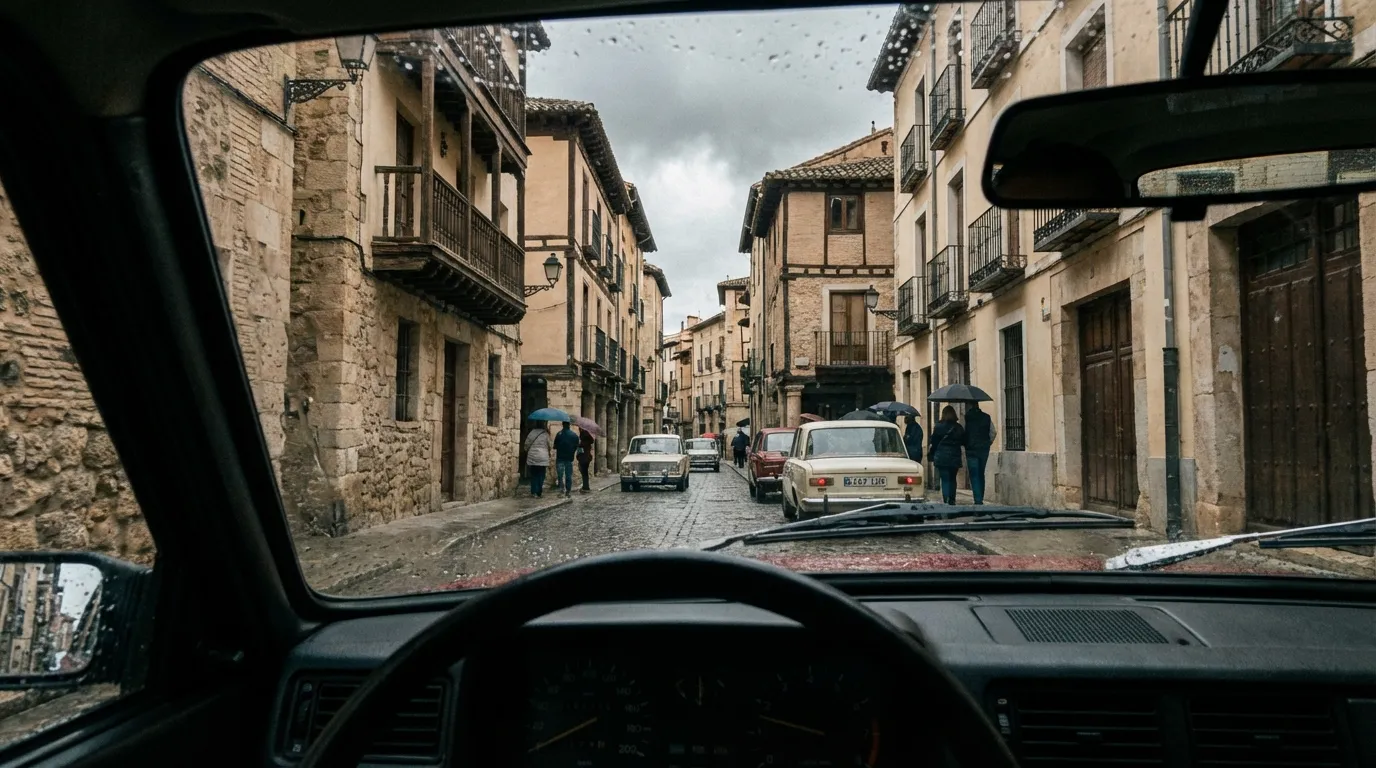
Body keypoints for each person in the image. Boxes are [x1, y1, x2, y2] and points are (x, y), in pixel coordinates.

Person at [928, 406, 966, 505]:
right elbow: (963, 441)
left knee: (944, 479)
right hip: (954, 456)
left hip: (942, 456)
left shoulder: (938, 426)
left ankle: (946, 500)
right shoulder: (958, 427)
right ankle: (952, 500)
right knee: (952, 479)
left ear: (943, 414)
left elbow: (934, 441)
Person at [963, 402, 996, 505]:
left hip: (971, 449)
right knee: (981, 473)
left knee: (974, 475)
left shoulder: (967, 418)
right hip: (983, 449)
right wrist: (988, 443)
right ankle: (980, 496)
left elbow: (964, 433)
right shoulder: (987, 417)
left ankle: (978, 500)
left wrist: (965, 444)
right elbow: (993, 432)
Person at [523, 421, 551, 498]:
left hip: (533, 457)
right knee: (541, 475)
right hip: (543, 457)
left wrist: (527, 451)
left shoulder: (531, 433)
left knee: (534, 474)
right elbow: (550, 445)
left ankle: (533, 491)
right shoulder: (546, 434)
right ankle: (539, 491)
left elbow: (526, 444)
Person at [552, 421, 579, 498]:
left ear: (563, 425)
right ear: (569, 425)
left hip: (560, 457)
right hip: (569, 458)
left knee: (560, 475)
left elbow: (555, 446)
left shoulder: (559, 434)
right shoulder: (574, 435)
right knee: (568, 475)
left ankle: (561, 490)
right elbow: (576, 446)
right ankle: (568, 491)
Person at [577, 427, 596, 493]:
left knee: (583, 472)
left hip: (583, 458)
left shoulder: (583, 439)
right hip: (587, 458)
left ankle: (586, 487)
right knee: (585, 472)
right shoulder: (588, 440)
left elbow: (580, 446)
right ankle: (586, 486)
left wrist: (578, 444)